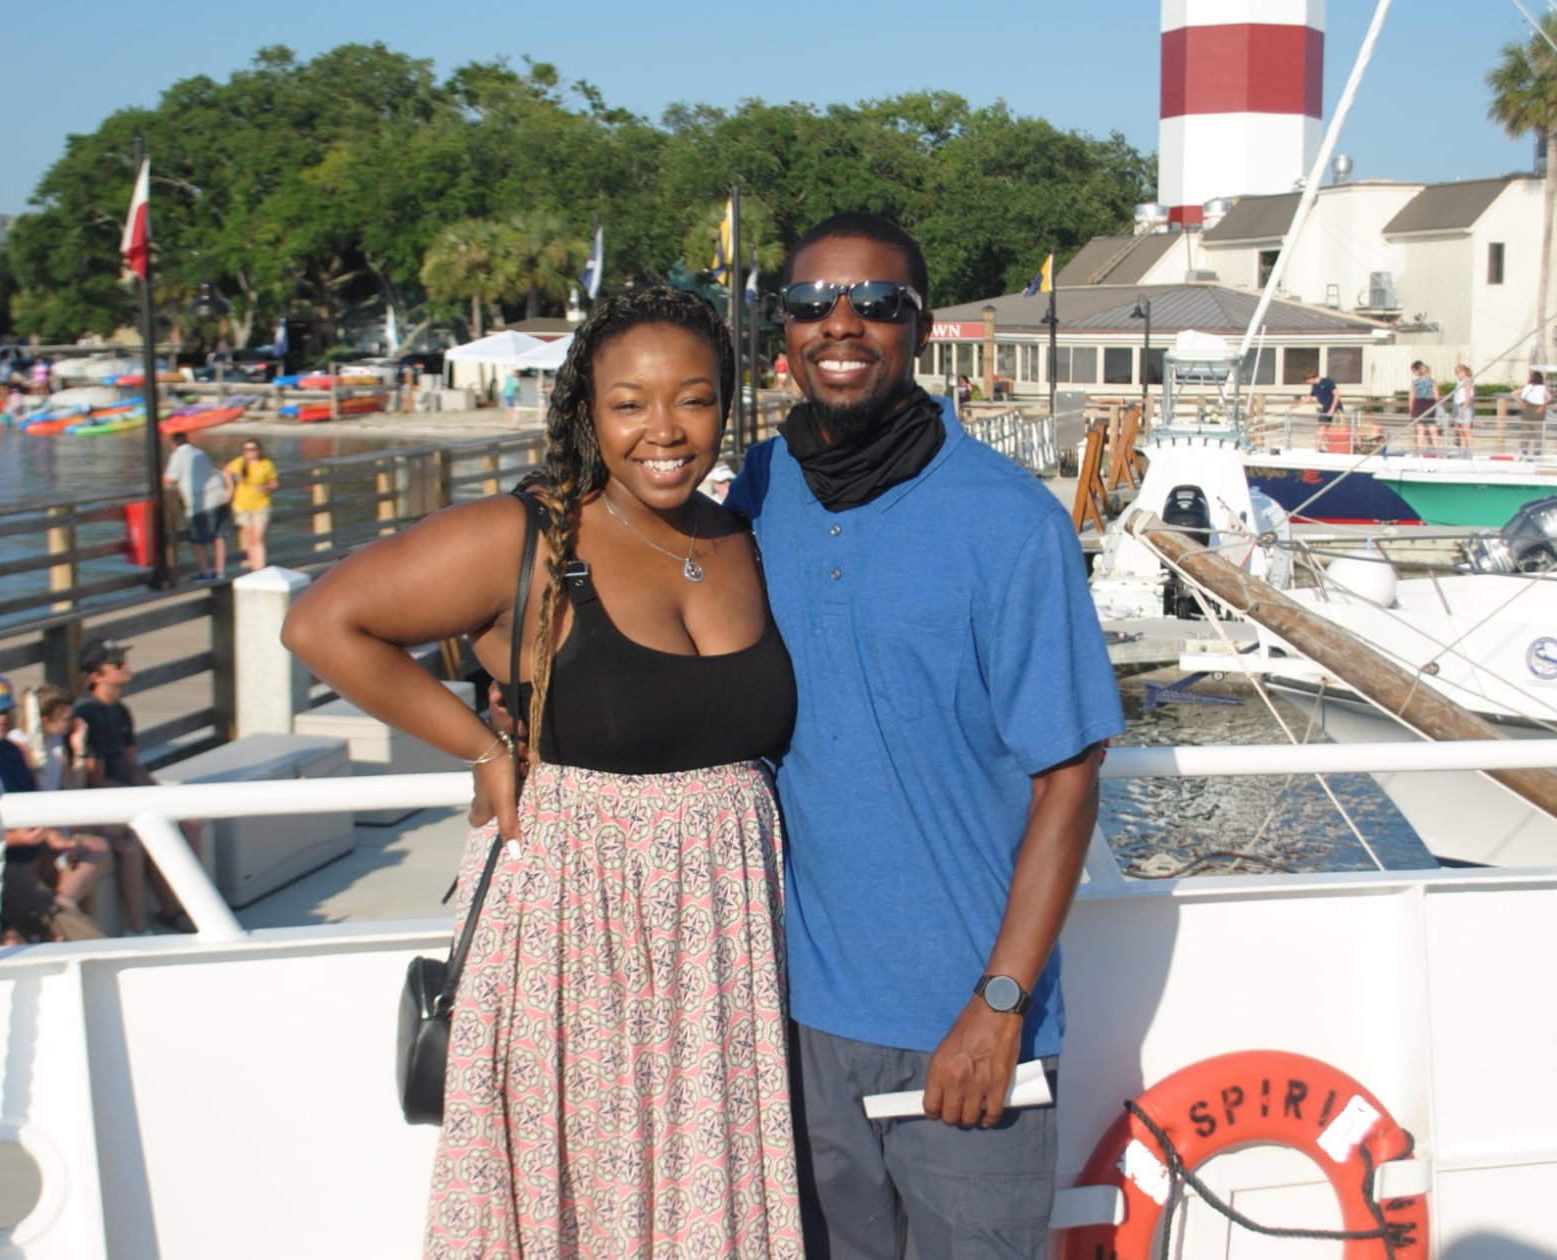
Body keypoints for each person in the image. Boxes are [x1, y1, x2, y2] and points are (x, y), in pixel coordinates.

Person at [280, 285, 804, 1255]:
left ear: (726, 405)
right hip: (578, 936)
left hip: (721, 939)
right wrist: (480, 748)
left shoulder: (738, 538)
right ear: (587, 412)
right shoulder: (527, 536)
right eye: (629, 403)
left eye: (692, 399)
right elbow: (322, 624)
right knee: (583, 1206)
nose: (664, 430)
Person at [727, 212, 1123, 1258]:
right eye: (813, 304)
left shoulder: (1010, 522)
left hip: (969, 1031)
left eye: (877, 303)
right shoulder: (753, 493)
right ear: (784, 332)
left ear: (922, 328)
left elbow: (1070, 780)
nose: (841, 324)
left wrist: (999, 1005)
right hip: (801, 1024)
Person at [72, 639, 198, 935]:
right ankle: (152, 919)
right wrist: (141, 800)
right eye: (117, 664)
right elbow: (94, 778)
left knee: (190, 821)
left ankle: (185, 904)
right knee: (144, 834)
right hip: (104, 799)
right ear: (95, 677)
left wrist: (162, 795)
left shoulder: (121, 711)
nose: (126, 667)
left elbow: (133, 765)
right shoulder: (88, 714)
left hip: (126, 791)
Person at [0, 674, 106, 945]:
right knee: (46, 918)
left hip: (31, 853)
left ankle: (57, 919)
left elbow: (35, 800)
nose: (1, 718)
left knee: (94, 848)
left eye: (6, 711)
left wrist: (54, 836)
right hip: (6, 864)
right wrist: (15, 838)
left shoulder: (12, 751)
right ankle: (73, 932)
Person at [163, 432, 233, 580]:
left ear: (173, 445)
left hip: (199, 502)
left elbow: (169, 479)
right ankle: (220, 572)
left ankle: (205, 572)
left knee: (197, 541)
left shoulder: (178, 455)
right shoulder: (200, 452)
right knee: (218, 537)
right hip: (218, 497)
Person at [223, 440, 279, 571]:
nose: (249, 452)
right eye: (246, 449)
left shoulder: (264, 464)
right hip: (242, 505)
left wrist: (266, 487)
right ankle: (253, 567)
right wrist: (230, 487)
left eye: (252, 449)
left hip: (261, 505)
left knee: (257, 537)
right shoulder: (240, 462)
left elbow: (273, 480)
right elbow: (226, 470)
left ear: (259, 450)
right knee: (249, 538)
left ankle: (260, 567)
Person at [1515, 370, 1549, 453]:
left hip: (1526, 414)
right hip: (1538, 415)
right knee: (1538, 436)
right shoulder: (1542, 388)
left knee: (1525, 436)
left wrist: (1521, 402)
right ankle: (1537, 454)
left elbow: (1513, 393)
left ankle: (1523, 453)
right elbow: (1550, 397)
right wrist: (1543, 405)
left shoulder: (1526, 387)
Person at [1410, 361, 1440, 452]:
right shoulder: (1432, 382)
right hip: (1429, 405)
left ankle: (1419, 452)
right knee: (1433, 429)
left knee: (1420, 430)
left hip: (1418, 405)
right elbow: (1437, 396)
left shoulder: (1414, 382)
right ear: (1427, 372)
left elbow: (1412, 396)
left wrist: (1411, 409)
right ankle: (1437, 450)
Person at [1453, 362, 1477, 451]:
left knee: (1466, 430)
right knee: (1461, 430)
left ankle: (1470, 450)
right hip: (1459, 406)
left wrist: (1463, 409)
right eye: (1456, 372)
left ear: (1464, 371)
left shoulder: (1467, 380)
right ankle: (1462, 450)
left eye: (1458, 372)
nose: (1457, 374)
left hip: (1464, 406)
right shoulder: (1461, 381)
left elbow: (1467, 396)